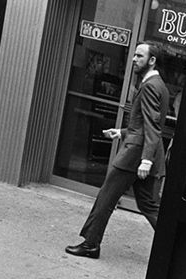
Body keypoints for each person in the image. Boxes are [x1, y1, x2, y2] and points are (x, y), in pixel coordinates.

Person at [65, 41, 169, 259]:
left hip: (135, 154)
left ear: (152, 61)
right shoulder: (159, 85)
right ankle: (174, 246)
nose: (134, 59)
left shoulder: (150, 86)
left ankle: (91, 244)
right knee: (149, 204)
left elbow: (151, 125)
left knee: (106, 196)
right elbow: (145, 124)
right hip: (142, 150)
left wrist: (145, 160)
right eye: (134, 56)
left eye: (139, 56)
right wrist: (121, 132)